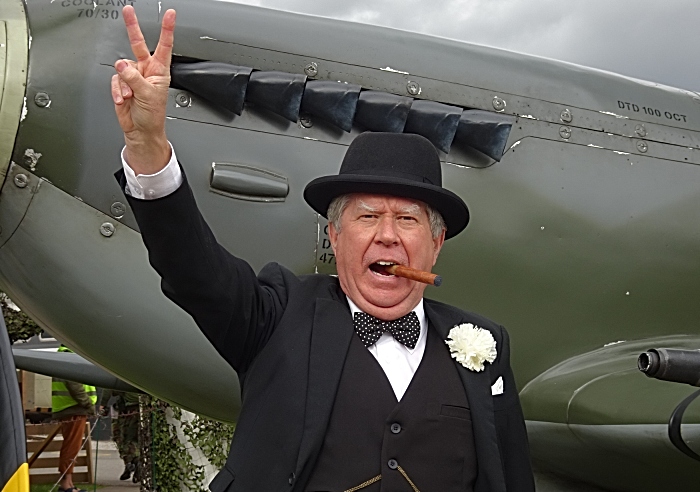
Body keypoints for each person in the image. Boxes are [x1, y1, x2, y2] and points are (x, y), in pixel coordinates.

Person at [111, 6, 534, 491]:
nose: (388, 235)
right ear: (334, 237)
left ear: (435, 244)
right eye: (368, 216)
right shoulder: (275, 317)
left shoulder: (483, 344)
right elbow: (192, 270)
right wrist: (148, 146)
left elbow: (510, 476)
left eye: (408, 219)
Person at [51, 346, 97, 492]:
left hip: (70, 407)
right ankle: (66, 484)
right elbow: (75, 386)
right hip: (73, 408)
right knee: (71, 447)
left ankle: (69, 483)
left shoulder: (63, 356)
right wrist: (88, 404)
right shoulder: (70, 357)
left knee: (72, 447)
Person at [99, 390, 140, 482]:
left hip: (129, 409)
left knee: (125, 439)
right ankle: (133, 463)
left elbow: (109, 387)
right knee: (136, 439)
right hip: (139, 407)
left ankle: (133, 462)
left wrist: (103, 404)